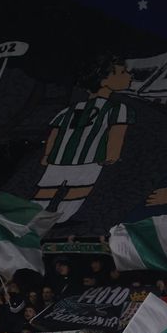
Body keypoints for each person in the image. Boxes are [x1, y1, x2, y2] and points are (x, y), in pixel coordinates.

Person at [34, 56, 133, 222]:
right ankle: (56, 222)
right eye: (123, 72)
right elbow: (117, 132)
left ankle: (26, 221)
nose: (129, 75)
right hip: (90, 160)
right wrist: (112, 154)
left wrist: (47, 154)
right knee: (78, 191)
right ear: (104, 81)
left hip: (59, 158)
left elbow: (56, 132)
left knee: (46, 190)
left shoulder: (71, 109)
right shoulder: (117, 109)